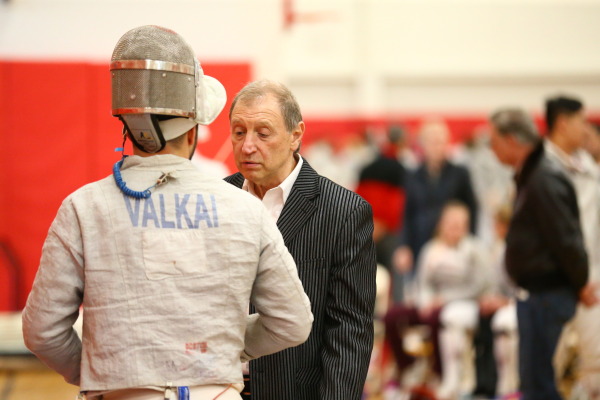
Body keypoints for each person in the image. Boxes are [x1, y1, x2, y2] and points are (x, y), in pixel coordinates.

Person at [21, 26, 313, 400]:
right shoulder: (245, 210)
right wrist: (215, 350)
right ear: (194, 131)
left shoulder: (82, 208)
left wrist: (106, 368)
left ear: (126, 125)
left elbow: (41, 330)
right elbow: (292, 322)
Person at [224, 79, 377, 400]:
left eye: (263, 133)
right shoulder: (214, 200)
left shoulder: (343, 212)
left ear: (296, 135)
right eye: (239, 132)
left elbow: (349, 329)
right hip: (217, 388)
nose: (248, 145)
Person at [488, 107, 592, 400]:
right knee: (534, 382)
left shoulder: (543, 177)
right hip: (538, 293)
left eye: (494, 142)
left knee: (538, 384)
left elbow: (566, 238)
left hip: (548, 293)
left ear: (511, 140)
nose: (492, 150)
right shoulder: (532, 174)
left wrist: (581, 281)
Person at [384, 201, 489, 399]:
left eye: (459, 225)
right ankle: (406, 367)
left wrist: (445, 299)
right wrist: (426, 301)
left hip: (458, 302)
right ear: (442, 224)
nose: (454, 229)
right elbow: (422, 282)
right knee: (392, 316)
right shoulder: (431, 249)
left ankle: (439, 374)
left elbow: (478, 286)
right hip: (431, 302)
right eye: (451, 224)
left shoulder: (474, 250)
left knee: (436, 318)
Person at [542, 95, 600, 399]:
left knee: (596, 364)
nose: (586, 128)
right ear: (562, 123)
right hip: (553, 284)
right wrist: (574, 278)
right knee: (549, 366)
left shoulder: (590, 169)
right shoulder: (538, 169)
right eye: (581, 121)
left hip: (592, 283)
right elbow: (547, 235)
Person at [393, 118, 478, 297]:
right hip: (420, 239)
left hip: (452, 242)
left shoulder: (460, 173)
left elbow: (472, 209)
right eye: (432, 141)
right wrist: (403, 246)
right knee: (420, 292)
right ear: (422, 145)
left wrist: (471, 242)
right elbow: (407, 214)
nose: (437, 146)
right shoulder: (412, 175)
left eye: (440, 141)